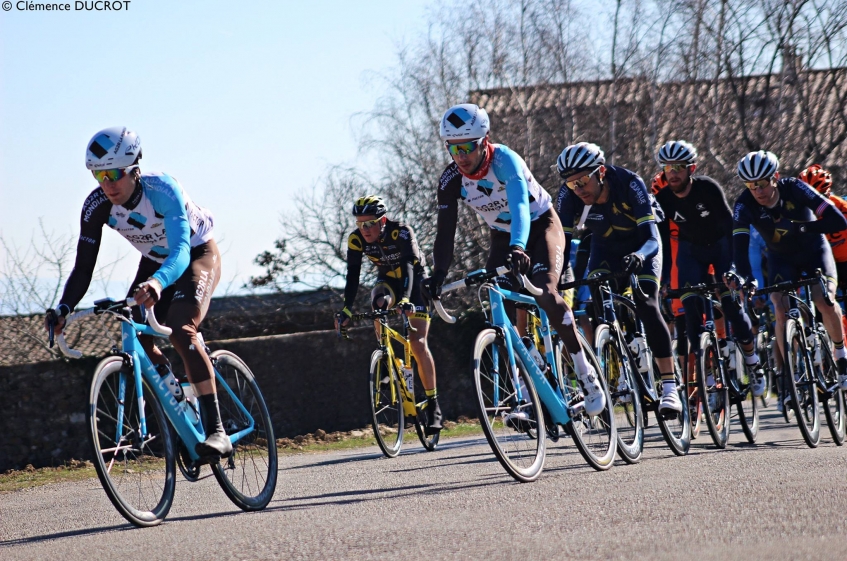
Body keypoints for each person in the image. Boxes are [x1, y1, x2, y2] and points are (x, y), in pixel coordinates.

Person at [45, 126, 229, 459]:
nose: (107, 184)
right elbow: (83, 268)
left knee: (181, 328)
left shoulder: (162, 190)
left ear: (134, 169)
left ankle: (218, 431)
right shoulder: (97, 205)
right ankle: (177, 397)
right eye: (99, 175)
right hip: (155, 261)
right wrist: (63, 308)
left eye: (114, 174)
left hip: (194, 254)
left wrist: (158, 283)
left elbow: (181, 252)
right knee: (134, 329)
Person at [428, 103, 606, 417]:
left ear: (484, 141)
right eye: (452, 149)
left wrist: (519, 246)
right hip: (502, 236)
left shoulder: (505, 160)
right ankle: (529, 393)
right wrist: (438, 273)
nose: (461, 156)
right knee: (501, 316)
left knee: (547, 294)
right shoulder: (450, 179)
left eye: (467, 147)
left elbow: (521, 207)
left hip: (540, 227)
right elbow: (445, 231)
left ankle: (586, 375)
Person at [555, 141, 682, 417]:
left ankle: (670, 388)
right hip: (606, 247)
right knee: (597, 303)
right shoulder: (569, 196)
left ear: (600, 172)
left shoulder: (629, 182)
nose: (578, 189)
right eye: (572, 184)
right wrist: (554, 278)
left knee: (646, 303)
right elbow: (561, 245)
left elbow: (651, 238)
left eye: (583, 181)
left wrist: (640, 255)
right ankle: (618, 359)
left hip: (641, 245)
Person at [728, 150, 847, 390]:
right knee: (779, 308)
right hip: (781, 258)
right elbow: (739, 249)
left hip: (815, 251)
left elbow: (838, 220)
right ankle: (790, 376)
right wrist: (748, 279)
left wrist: (803, 228)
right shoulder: (744, 204)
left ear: (775, 177)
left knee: (823, 299)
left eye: (762, 183)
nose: (758, 190)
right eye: (751, 185)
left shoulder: (794, 187)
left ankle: (841, 356)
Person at [652, 141, 762, 395]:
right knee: (691, 312)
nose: (673, 173)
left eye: (679, 167)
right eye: (668, 167)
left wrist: (732, 267)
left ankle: (752, 361)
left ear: (691, 168)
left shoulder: (708, 188)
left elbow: (729, 226)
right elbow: (664, 243)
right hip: (693, 251)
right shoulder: (663, 198)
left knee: (732, 307)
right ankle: (710, 377)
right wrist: (666, 276)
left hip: (721, 245)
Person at [334, 196, 442, 433]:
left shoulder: (401, 232)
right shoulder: (355, 240)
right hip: (388, 280)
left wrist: (405, 298)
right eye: (360, 224)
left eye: (369, 223)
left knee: (417, 342)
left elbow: (410, 267)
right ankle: (385, 358)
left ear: (382, 220)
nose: (365, 230)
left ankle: (433, 405)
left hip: (414, 281)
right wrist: (346, 309)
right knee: (378, 302)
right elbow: (353, 276)